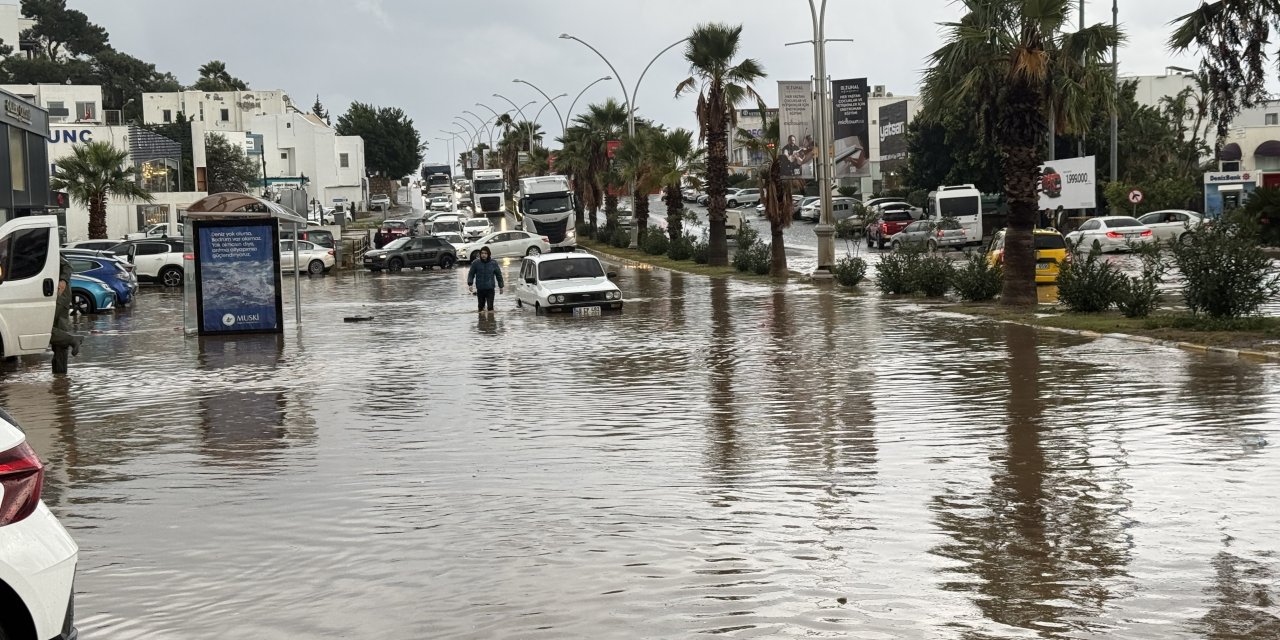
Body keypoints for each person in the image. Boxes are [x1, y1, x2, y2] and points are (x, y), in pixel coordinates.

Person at [48, 255, 83, 375]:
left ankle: (72, 340)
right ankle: (60, 378)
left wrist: (63, 280)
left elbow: (67, 265)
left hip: (58, 296)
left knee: (42, 328)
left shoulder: (44, 245)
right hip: (54, 295)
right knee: (59, 335)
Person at [467, 246, 504, 314]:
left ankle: (491, 322)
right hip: (480, 289)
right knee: (480, 309)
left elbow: (499, 275)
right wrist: (470, 284)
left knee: (490, 309)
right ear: (480, 254)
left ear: (488, 254)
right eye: (482, 253)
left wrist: (501, 286)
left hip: (490, 289)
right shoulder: (476, 263)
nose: (483, 255)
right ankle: (482, 322)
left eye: (485, 253)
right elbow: (471, 274)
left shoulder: (493, 263)